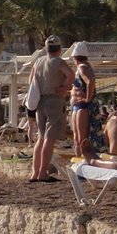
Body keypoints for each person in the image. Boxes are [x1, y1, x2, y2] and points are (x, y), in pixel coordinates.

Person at [30, 35, 74, 182]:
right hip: (54, 100)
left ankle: (35, 173)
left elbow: (31, 80)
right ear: (59, 49)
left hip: (40, 101)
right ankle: (43, 173)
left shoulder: (38, 61)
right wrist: (65, 87)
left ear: (46, 48)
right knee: (49, 139)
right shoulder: (58, 61)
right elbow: (71, 74)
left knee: (41, 138)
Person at [70, 41, 97, 160]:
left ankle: (82, 162)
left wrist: (87, 99)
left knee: (81, 139)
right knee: (77, 138)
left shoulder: (82, 68)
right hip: (78, 106)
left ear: (75, 58)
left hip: (82, 106)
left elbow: (90, 81)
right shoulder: (85, 67)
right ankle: (79, 161)